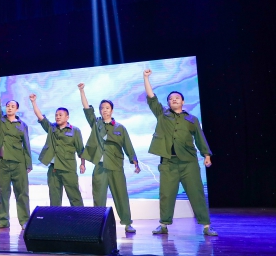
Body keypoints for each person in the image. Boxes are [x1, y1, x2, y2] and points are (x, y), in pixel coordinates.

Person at [143, 69, 217, 236]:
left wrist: (206, 155)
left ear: (183, 101)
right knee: (166, 194)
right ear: (168, 103)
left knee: (196, 193)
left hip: (188, 162)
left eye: (177, 98)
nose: (174, 100)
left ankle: (206, 225)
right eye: (171, 99)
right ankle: (163, 224)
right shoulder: (162, 114)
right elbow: (151, 97)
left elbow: (200, 137)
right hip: (168, 163)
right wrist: (145, 77)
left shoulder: (191, 119)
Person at [78, 83, 140, 233]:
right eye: (102, 108)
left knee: (121, 196)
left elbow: (128, 145)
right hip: (100, 167)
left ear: (111, 110)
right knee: (98, 197)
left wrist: (135, 162)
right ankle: (98, 224)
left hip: (116, 166)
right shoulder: (96, 123)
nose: (104, 110)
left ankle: (127, 223)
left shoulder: (120, 128)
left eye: (107, 108)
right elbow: (87, 109)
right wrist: (82, 91)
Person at [0, 76, 32, 230]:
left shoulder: (22, 125)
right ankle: (3, 221)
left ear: (17, 109)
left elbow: (26, 144)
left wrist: (28, 164)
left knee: (22, 193)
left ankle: (25, 221)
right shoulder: (1, 120)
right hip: (3, 163)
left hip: (19, 163)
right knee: (3, 193)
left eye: (12, 106)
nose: (9, 108)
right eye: (8, 106)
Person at [29, 94, 85, 207]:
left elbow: (81, 149)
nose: (57, 117)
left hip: (68, 168)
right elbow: (40, 117)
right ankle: (56, 217)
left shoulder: (75, 131)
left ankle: (80, 217)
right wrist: (33, 102)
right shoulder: (52, 128)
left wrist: (82, 163)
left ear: (67, 117)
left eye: (60, 115)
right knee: (54, 198)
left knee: (74, 196)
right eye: (56, 115)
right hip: (53, 169)